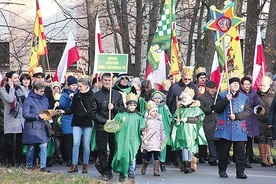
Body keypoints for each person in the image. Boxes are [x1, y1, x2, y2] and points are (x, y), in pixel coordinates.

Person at [214, 76, 251, 179]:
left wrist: (237, 116)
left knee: (240, 153)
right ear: (229, 85)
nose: (236, 85)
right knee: (223, 152)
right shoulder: (222, 95)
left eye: (237, 84)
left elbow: (248, 112)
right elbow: (217, 108)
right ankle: (222, 171)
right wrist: (226, 99)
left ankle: (240, 172)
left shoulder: (244, 97)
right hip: (225, 129)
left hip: (239, 129)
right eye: (233, 83)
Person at [91, 73, 124, 181]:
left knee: (114, 148)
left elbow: (122, 110)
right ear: (101, 81)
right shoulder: (96, 96)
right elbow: (92, 113)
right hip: (101, 126)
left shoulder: (117, 95)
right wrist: (105, 121)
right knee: (102, 150)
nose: (107, 82)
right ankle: (105, 171)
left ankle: (109, 167)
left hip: (114, 127)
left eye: (109, 80)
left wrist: (113, 108)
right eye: (105, 80)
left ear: (112, 81)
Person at [166, 66, 199, 167]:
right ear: (182, 77)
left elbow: (196, 100)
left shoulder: (194, 87)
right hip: (177, 116)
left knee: (189, 139)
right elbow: (169, 102)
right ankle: (178, 159)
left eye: (189, 79)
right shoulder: (174, 87)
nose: (187, 81)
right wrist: (172, 115)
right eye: (185, 79)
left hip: (189, 117)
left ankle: (190, 160)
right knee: (178, 138)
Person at [59, 78, 94, 173]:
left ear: (86, 85)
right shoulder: (76, 95)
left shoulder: (92, 95)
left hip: (87, 122)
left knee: (86, 144)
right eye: (78, 86)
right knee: (76, 143)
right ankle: (74, 164)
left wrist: (83, 115)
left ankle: (85, 164)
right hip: (77, 122)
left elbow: (92, 110)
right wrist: (64, 112)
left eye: (80, 86)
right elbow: (72, 109)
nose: (78, 88)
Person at [171, 87, 207, 174]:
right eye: (182, 98)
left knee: (190, 147)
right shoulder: (180, 108)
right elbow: (174, 118)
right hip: (182, 131)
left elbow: (198, 119)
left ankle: (191, 163)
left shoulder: (195, 109)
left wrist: (187, 119)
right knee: (184, 147)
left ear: (190, 99)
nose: (183, 99)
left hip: (192, 131)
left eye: (185, 98)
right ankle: (186, 164)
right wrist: (176, 121)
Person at [112, 92, 145, 182]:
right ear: (127, 105)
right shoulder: (120, 115)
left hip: (133, 140)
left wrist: (143, 131)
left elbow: (142, 126)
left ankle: (131, 173)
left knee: (132, 157)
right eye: (130, 105)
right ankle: (122, 172)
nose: (132, 107)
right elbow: (114, 124)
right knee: (122, 156)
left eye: (134, 105)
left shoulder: (138, 117)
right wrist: (110, 124)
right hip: (121, 139)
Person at [0, 71, 27, 166]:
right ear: (9, 79)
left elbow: (25, 101)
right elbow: (10, 99)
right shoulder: (4, 89)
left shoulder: (21, 88)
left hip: (20, 119)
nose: (17, 80)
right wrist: (11, 88)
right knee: (10, 144)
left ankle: (18, 162)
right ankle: (10, 161)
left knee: (19, 143)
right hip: (10, 119)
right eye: (14, 78)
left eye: (17, 78)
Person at [22, 82, 51, 172]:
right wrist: (37, 116)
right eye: (41, 91)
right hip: (32, 127)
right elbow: (25, 114)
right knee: (31, 148)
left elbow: (47, 110)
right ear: (35, 90)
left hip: (43, 126)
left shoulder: (45, 99)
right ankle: (29, 166)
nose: (43, 93)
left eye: (43, 91)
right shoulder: (28, 100)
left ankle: (43, 166)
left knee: (43, 147)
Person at [141, 101, 166, 176]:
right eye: (153, 111)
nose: (155, 113)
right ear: (149, 112)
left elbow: (162, 130)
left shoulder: (159, 120)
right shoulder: (146, 121)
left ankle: (156, 170)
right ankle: (144, 166)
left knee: (156, 155)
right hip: (149, 141)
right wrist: (144, 138)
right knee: (149, 156)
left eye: (156, 111)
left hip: (157, 141)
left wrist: (163, 138)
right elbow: (143, 130)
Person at [239, 77, 259, 168]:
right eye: (245, 84)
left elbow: (256, 104)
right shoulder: (239, 93)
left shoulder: (253, 93)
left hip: (252, 119)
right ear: (242, 85)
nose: (247, 86)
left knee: (250, 142)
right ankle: (241, 159)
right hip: (242, 118)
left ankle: (247, 159)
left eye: (248, 84)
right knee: (241, 142)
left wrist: (259, 109)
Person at [59, 76, 78, 167]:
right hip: (67, 118)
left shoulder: (79, 93)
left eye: (75, 85)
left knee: (77, 140)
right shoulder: (64, 94)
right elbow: (62, 105)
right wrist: (69, 99)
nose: (74, 87)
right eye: (72, 85)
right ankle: (69, 158)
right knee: (68, 139)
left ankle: (78, 158)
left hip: (77, 117)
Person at [256, 76, 274, 167]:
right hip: (259, 120)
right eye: (261, 85)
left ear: (268, 86)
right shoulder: (256, 95)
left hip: (269, 120)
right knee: (261, 138)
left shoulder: (272, 95)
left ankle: (268, 158)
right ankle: (263, 159)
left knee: (268, 139)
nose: (262, 87)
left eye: (264, 85)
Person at [198, 81, 218, 166]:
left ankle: (219, 157)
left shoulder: (218, 96)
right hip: (208, 121)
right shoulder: (202, 97)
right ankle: (212, 157)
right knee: (211, 140)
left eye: (214, 88)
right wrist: (210, 108)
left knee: (219, 140)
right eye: (211, 88)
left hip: (218, 121)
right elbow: (201, 109)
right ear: (207, 88)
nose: (213, 90)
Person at [151, 91, 172, 172]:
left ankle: (162, 162)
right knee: (153, 145)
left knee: (163, 146)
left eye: (158, 98)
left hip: (163, 128)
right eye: (155, 98)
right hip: (153, 129)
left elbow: (169, 116)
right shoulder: (150, 106)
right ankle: (155, 163)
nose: (157, 100)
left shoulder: (164, 107)